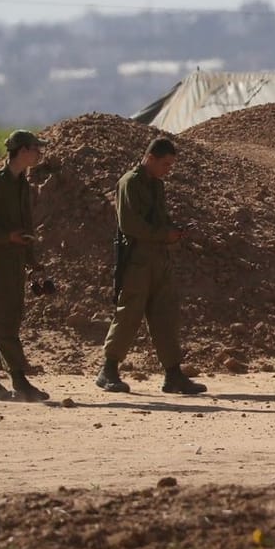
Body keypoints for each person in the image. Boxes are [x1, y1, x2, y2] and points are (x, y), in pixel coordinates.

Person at [97, 137, 206, 396]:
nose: (168, 169)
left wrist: (173, 231)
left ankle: (173, 375)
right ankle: (108, 370)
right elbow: (129, 224)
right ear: (150, 158)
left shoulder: (157, 185)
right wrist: (162, 235)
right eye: (165, 164)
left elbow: (160, 218)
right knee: (129, 314)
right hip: (137, 261)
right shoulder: (129, 183)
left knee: (165, 316)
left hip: (158, 261)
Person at [0, 129, 49, 402]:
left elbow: (25, 227)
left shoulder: (21, 184)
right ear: (22, 151)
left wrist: (32, 262)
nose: (39, 153)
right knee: (3, 324)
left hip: (15, 263)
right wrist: (8, 237)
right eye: (35, 148)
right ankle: (19, 380)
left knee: (5, 323)